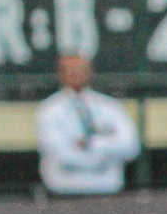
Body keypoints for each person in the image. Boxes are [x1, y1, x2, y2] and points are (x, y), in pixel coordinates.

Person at [34, 52, 140, 196]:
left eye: (80, 69)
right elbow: (59, 154)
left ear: (90, 71)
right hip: (64, 192)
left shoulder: (111, 107)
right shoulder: (49, 110)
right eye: (70, 70)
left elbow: (131, 147)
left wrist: (92, 144)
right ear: (60, 73)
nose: (75, 74)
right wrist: (104, 153)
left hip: (107, 191)